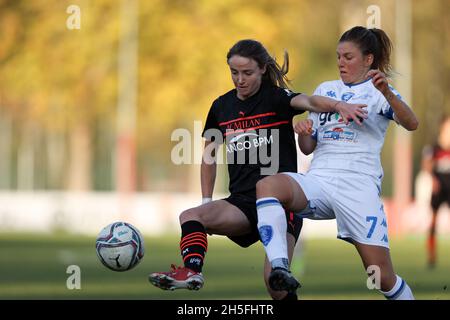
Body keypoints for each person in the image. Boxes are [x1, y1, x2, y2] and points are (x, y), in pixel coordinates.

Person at [148, 39, 367, 300]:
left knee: (276, 284)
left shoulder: (276, 98)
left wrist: (338, 106)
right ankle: (192, 272)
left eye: (247, 73)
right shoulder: (221, 106)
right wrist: (207, 200)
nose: (239, 79)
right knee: (191, 216)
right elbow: (209, 154)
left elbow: (310, 101)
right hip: (242, 204)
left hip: (279, 204)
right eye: (234, 72)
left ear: (263, 69)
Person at [255, 26, 418, 299]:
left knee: (381, 277)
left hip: (357, 187)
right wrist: (304, 133)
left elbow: (412, 124)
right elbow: (309, 148)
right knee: (268, 185)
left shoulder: (378, 92)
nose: (341, 62)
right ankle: (281, 267)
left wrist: (388, 93)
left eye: (348, 57)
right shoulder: (326, 90)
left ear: (368, 59)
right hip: (319, 181)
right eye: (338, 56)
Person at [422, 115, 450, 268]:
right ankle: (431, 257)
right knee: (433, 222)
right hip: (438, 188)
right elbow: (426, 164)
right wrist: (432, 179)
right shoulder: (434, 147)